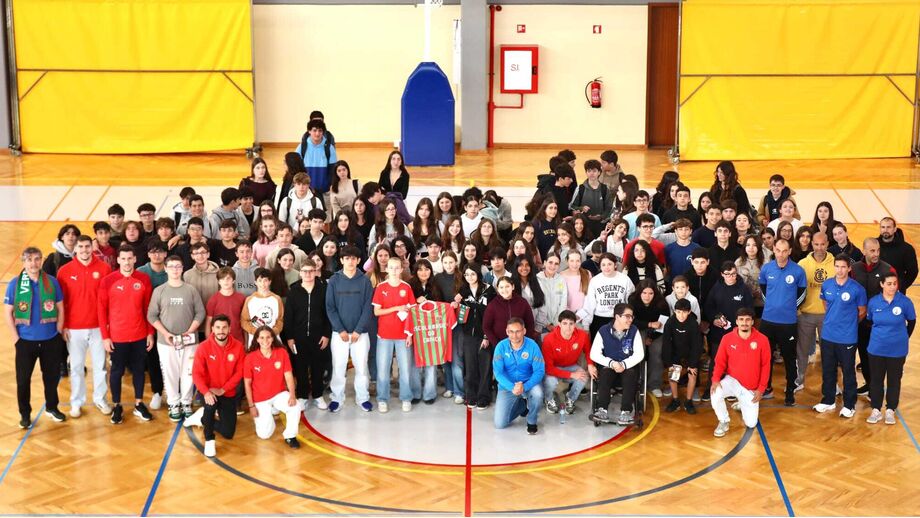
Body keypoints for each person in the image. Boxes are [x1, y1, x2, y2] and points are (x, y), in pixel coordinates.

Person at [5, 247, 68, 428]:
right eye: (30, 259)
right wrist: (16, 338)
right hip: (25, 342)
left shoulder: (52, 282)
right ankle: (25, 414)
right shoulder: (15, 284)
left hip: (50, 340)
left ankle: (52, 407)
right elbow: (8, 312)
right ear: (23, 262)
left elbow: (60, 307)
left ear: (41, 261)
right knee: (23, 380)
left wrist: (58, 330)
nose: (34, 263)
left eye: (37, 259)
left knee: (51, 378)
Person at [99, 245, 155, 424]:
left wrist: (150, 333)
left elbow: (148, 309)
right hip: (117, 337)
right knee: (116, 372)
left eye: (130, 258)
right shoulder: (108, 281)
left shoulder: (144, 279)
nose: (127, 262)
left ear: (135, 259)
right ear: (118, 260)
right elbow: (101, 311)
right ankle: (117, 405)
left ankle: (139, 404)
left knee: (139, 370)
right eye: (123, 258)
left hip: (139, 335)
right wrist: (105, 337)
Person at [58, 235, 112, 418]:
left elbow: (108, 301)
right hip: (74, 328)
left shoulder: (104, 268)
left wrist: (108, 327)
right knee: (76, 367)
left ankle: (100, 398)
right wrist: (64, 325)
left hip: (98, 328)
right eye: (80, 247)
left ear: (92, 247)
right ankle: (76, 402)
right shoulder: (64, 271)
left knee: (100, 366)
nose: (84, 250)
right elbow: (61, 302)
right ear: (75, 249)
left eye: (87, 246)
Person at [147, 255, 205, 421]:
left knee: (189, 372)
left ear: (182, 268)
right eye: (171, 266)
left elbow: (200, 312)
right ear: (165, 268)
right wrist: (166, 333)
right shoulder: (159, 291)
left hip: (189, 341)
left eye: (178, 266)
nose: (174, 269)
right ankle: (173, 403)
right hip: (166, 342)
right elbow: (151, 315)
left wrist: (190, 331)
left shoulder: (190, 290)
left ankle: (186, 402)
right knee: (170, 372)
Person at [813, 254, 867, 418]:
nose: (840, 270)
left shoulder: (857, 289)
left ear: (849, 268)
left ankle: (849, 405)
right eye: (837, 266)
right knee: (828, 370)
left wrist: (848, 323)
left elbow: (862, 311)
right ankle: (828, 400)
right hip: (828, 335)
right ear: (834, 267)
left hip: (847, 338)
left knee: (848, 372)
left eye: (843, 267)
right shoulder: (827, 284)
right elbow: (826, 304)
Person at [184, 315, 246, 457]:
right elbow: (197, 374)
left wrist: (223, 389)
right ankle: (209, 440)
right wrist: (206, 392)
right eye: (217, 327)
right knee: (210, 406)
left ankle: (202, 418)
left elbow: (239, 373)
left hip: (227, 392)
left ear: (230, 329)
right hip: (209, 392)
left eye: (224, 327)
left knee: (228, 433)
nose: (221, 331)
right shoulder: (203, 347)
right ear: (212, 328)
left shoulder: (238, 347)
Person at [326, 245, 374, 413]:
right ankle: (337, 398)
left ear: (358, 260)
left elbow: (368, 307)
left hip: (360, 334)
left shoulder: (365, 281)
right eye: (347, 258)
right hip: (339, 334)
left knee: (361, 367)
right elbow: (330, 307)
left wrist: (358, 330)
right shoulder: (334, 280)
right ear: (341, 260)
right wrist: (340, 330)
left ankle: (363, 398)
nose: (350, 261)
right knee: (338, 367)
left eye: (353, 258)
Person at [758, 238, 807, 405]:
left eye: (784, 251)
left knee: (789, 357)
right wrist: (772, 304)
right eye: (778, 250)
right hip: (768, 321)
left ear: (790, 251)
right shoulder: (766, 268)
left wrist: (789, 308)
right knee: (766, 358)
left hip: (788, 323)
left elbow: (802, 294)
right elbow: (763, 289)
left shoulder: (798, 271)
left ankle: (790, 391)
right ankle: (766, 388)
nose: (781, 254)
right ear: (773, 249)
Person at [710, 308, 771, 437]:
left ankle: (742, 402)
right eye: (741, 319)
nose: (744, 323)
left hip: (750, 387)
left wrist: (761, 389)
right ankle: (723, 421)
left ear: (752, 322)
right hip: (732, 381)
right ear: (736, 322)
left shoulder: (763, 340)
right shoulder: (727, 339)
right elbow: (719, 361)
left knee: (751, 424)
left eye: (748, 319)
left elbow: (766, 366)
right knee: (715, 393)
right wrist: (715, 380)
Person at [865, 271, 916, 425]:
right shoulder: (874, 302)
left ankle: (890, 410)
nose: (892, 287)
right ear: (881, 284)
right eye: (889, 284)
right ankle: (876, 409)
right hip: (876, 349)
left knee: (894, 380)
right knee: (876, 380)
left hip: (897, 350)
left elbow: (911, 322)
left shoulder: (905, 302)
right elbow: (869, 321)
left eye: (895, 284)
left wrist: (902, 337)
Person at [283, 259, 332, 411]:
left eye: (311, 271)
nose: (308, 274)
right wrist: (289, 338)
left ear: (316, 271)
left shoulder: (324, 289)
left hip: (319, 337)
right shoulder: (294, 291)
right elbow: (288, 316)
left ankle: (317, 395)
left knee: (318, 367)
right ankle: (303, 396)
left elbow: (328, 314)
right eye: (305, 271)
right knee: (301, 367)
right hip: (298, 338)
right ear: (301, 272)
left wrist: (326, 334)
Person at [851, 238, 896, 396]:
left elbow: (894, 296)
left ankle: (876, 389)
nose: (876, 254)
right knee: (864, 355)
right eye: (872, 251)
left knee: (877, 357)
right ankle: (869, 385)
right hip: (860, 323)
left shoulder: (888, 269)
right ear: (864, 251)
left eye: (877, 250)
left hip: (880, 325)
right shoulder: (854, 269)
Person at [243, 326, 301, 449]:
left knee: (296, 406)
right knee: (264, 435)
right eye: (262, 337)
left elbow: (289, 376)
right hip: (260, 399)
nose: (265, 340)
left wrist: (292, 395)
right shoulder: (250, 358)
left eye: (268, 337)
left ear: (273, 338)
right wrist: (251, 406)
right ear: (257, 340)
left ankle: (290, 436)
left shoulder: (282, 352)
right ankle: (269, 414)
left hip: (278, 394)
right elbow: (247, 384)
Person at [373, 258, 418, 412]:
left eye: (397, 268)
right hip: (384, 335)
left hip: (402, 336)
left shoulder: (407, 287)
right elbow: (376, 311)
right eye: (391, 268)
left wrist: (409, 334)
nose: (393, 270)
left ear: (401, 270)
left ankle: (406, 398)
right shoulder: (381, 287)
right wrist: (396, 308)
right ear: (386, 269)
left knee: (405, 369)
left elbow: (412, 312)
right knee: (383, 369)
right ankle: (382, 399)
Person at [590, 303, 645, 425]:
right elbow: (594, 354)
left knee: (631, 374)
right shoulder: (603, 331)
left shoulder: (634, 331)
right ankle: (602, 410)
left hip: (628, 367)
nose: (630, 319)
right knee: (604, 373)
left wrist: (624, 364)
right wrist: (611, 363)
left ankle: (625, 412)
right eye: (627, 316)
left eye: (631, 317)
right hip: (610, 366)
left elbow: (639, 354)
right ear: (617, 317)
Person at [493, 318, 545, 434]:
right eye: (511, 331)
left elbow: (539, 371)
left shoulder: (533, 346)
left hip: (529, 384)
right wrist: (512, 387)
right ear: (507, 332)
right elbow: (498, 373)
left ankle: (532, 420)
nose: (514, 335)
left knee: (538, 394)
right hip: (508, 387)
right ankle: (523, 405)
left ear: (524, 331)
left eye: (518, 331)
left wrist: (525, 387)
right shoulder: (500, 347)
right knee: (500, 424)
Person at [796, 231, 834, 390]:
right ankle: (799, 380)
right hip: (806, 315)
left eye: (822, 244)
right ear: (811, 244)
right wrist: (797, 309)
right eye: (816, 244)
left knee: (829, 352)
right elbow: (795, 290)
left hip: (828, 316)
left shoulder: (835, 263)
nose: (819, 248)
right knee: (802, 350)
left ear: (827, 244)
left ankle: (831, 384)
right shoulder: (802, 264)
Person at [541, 310, 591, 414]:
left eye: (571, 324)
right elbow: (548, 368)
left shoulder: (582, 335)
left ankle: (570, 398)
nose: (568, 327)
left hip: (570, 366)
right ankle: (549, 398)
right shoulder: (549, 339)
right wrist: (571, 374)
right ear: (559, 324)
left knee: (583, 375)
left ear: (575, 324)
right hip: (553, 368)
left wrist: (590, 365)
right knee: (551, 381)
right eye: (564, 323)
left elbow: (588, 352)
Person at [578, 253, 636, 339]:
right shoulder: (595, 281)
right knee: (600, 348)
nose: (607, 267)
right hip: (599, 320)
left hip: (619, 319)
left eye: (609, 264)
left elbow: (631, 301)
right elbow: (589, 304)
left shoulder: (625, 279)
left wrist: (629, 319)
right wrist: (586, 325)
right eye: (603, 265)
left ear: (615, 265)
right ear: (600, 266)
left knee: (618, 347)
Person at [662, 298, 703, 414]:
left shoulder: (693, 324)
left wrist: (693, 364)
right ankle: (675, 400)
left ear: (689, 312)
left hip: (690, 353)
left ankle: (688, 401)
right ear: (675, 311)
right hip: (675, 352)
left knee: (693, 375)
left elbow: (697, 345)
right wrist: (669, 363)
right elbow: (666, 344)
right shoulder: (670, 322)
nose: (681, 315)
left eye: (684, 312)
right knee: (673, 375)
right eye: (679, 312)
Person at [241, 267, 284, 343]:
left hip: (273, 338)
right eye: (260, 281)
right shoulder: (249, 300)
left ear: (270, 281)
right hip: (255, 339)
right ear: (255, 282)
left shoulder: (277, 299)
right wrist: (256, 332)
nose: (262, 284)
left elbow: (280, 320)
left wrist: (273, 332)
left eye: (265, 280)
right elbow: (244, 321)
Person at [295, 118, 337, 194]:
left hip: (325, 191)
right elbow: (296, 170)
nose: (317, 133)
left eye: (320, 131)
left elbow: (332, 171)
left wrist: (331, 185)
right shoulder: (301, 148)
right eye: (314, 130)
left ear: (323, 132)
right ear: (309, 131)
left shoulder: (329, 148)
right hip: (306, 191)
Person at [878, 217, 918, 295]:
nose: (885, 230)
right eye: (883, 227)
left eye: (888, 227)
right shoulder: (874, 245)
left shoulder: (907, 249)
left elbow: (913, 272)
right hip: (876, 291)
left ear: (895, 229)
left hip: (897, 292)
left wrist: (901, 286)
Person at [206, 267, 246, 343]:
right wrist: (209, 342)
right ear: (218, 282)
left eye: (228, 278)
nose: (225, 281)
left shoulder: (241, 298)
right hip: (218, 341)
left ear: (233, 281)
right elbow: (208, 323)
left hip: (238, 340)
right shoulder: (213, 300)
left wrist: (246, 342)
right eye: (222, 279)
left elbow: (245, 321)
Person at [183, 242, 219, 307]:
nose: (200, 256)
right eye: (196, 253)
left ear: (208, 254)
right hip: (194, 313)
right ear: (192, 256)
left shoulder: (219, 273)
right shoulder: (187, 275)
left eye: (203, 252)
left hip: (214, 312)